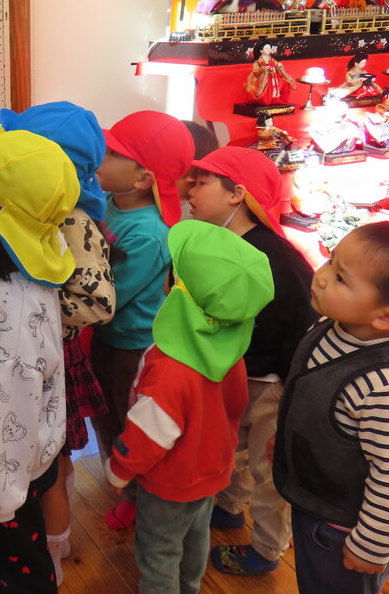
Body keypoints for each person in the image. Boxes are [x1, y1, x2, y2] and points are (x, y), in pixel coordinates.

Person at [106, 220, 274, 594]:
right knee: (196, 537)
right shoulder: (229, 349)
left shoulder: (169, 368)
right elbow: (236, 404)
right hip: (211, 469)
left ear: (178, 289)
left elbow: (149, 435)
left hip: (169, 481)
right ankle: (190, 587)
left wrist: (118, 470)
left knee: (159, 551)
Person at [0, 101, 116, 580]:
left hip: (52, 355)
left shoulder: (73, 221)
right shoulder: (33, 212)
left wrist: (40, 306)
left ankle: (55, 551)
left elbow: (99, 303)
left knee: (54, 461)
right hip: (34, 349)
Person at [185, 146, 315, 576]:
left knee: (267, 468)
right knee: (234, 450)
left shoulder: (276, 257)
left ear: (236, 194)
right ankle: (229, 507)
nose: (189, 190)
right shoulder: (220, 243)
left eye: (202, 182)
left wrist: (289, 391)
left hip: (271, 381)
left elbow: (300, 324)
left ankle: (267, 548)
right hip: (237, 372)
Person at [0, 121, 78, 593]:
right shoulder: (29, 270)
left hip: (12, 479)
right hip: (31, 459)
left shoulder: (9, 306)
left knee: (20, 578)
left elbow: (10, 407)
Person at [273, 222, 389, 594]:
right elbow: (308, 394)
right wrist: (285, 439)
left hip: (343, 529)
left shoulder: (379, 387)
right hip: (312, 497)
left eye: (340, 278)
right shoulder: (332, 325)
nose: (321, 277)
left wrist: (371, 544)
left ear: (384, 316)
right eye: (330, 261)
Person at [92, 110, 193, 530]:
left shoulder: (150, 233)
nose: (100, 154)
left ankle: (136, 494)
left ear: (143, 179)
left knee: (128, 419)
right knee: (104, 413)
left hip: (131, 346)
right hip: (105, 337)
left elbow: (110, 297)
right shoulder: (110, 202)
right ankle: (119, 478)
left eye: (113, 152)